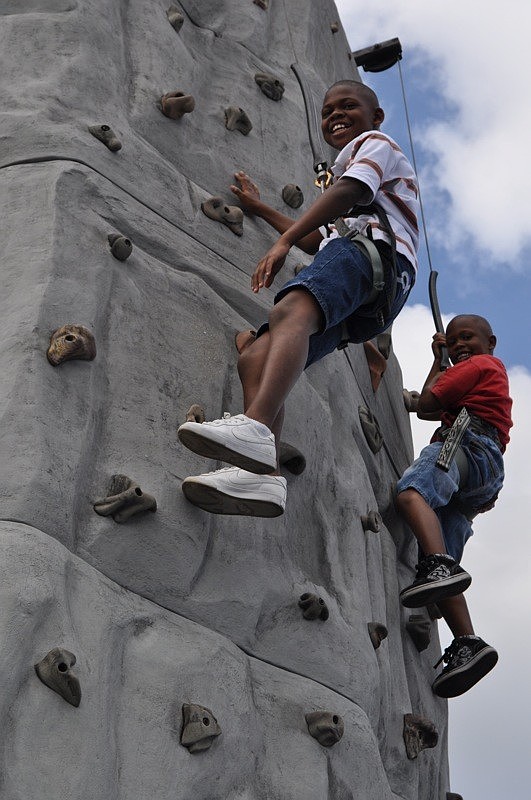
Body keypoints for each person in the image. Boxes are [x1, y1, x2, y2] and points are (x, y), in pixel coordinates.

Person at [178, 80, 419, 517]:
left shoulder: (375, 144)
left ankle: (254, 427)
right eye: (328, 112)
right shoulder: (349, 197)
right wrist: (260, 209)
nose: (336, 116)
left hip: (374, 255)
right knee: (256, 355)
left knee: (291, 309)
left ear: (376, 117)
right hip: (373, 291)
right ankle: (262, 478)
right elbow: (317, 239)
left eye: (349, 106)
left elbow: (349, 192)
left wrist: (281, 241)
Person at [396, 314, 513, 697]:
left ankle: (438, 565)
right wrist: (438, 361)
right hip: (483, 472)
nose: (460, 344)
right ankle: (467, 642)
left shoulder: (482, 365)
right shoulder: (479, 375)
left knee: (412, 494)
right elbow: (433, 409)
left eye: (467, 337)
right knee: (441, 559)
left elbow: (427, 402)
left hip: (464, 441)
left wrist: (432, 380)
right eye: (452, 340)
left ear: (490, 342)